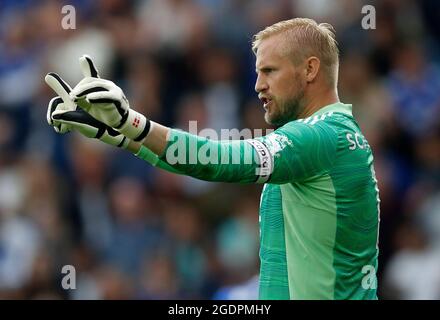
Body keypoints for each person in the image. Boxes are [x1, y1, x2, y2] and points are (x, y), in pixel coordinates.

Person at [46, 18, 380, 300]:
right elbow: (206, 159)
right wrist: (121, 137)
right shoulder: (329, 136)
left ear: (310, 69)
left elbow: (218, 159)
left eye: (270, 71)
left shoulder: (321, 137)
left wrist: (131, 122)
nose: (259, 85)